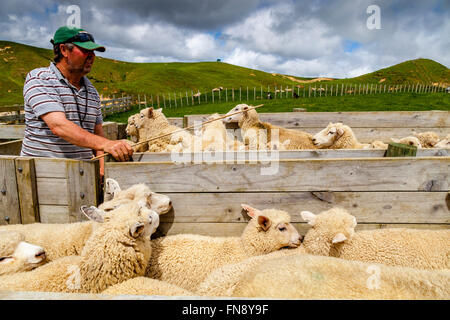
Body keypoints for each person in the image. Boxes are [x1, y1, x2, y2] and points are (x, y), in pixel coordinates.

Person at [21, 26, 133, 177]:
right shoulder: (40, 79)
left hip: (82, 177)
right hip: (42, 177)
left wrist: (102, 169)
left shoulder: (91, 91)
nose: (91, 56)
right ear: (64, 50)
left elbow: (97, 133)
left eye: (93, 52)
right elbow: (58, 126)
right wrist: (107, 144)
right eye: (85, 51)